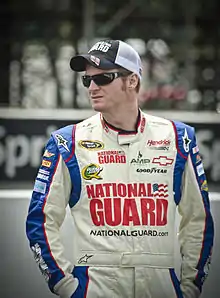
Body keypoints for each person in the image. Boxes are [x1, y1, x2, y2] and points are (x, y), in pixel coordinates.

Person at [26, 39, 214, 298]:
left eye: (103, 78)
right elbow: (40, 220)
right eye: (87, 80)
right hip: (96, 287)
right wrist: (65, 286)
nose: (92, 87)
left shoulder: (178, 138)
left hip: (161, 287)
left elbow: (198, 220)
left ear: (132, 81)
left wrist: (191, 287)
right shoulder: (66, 142)